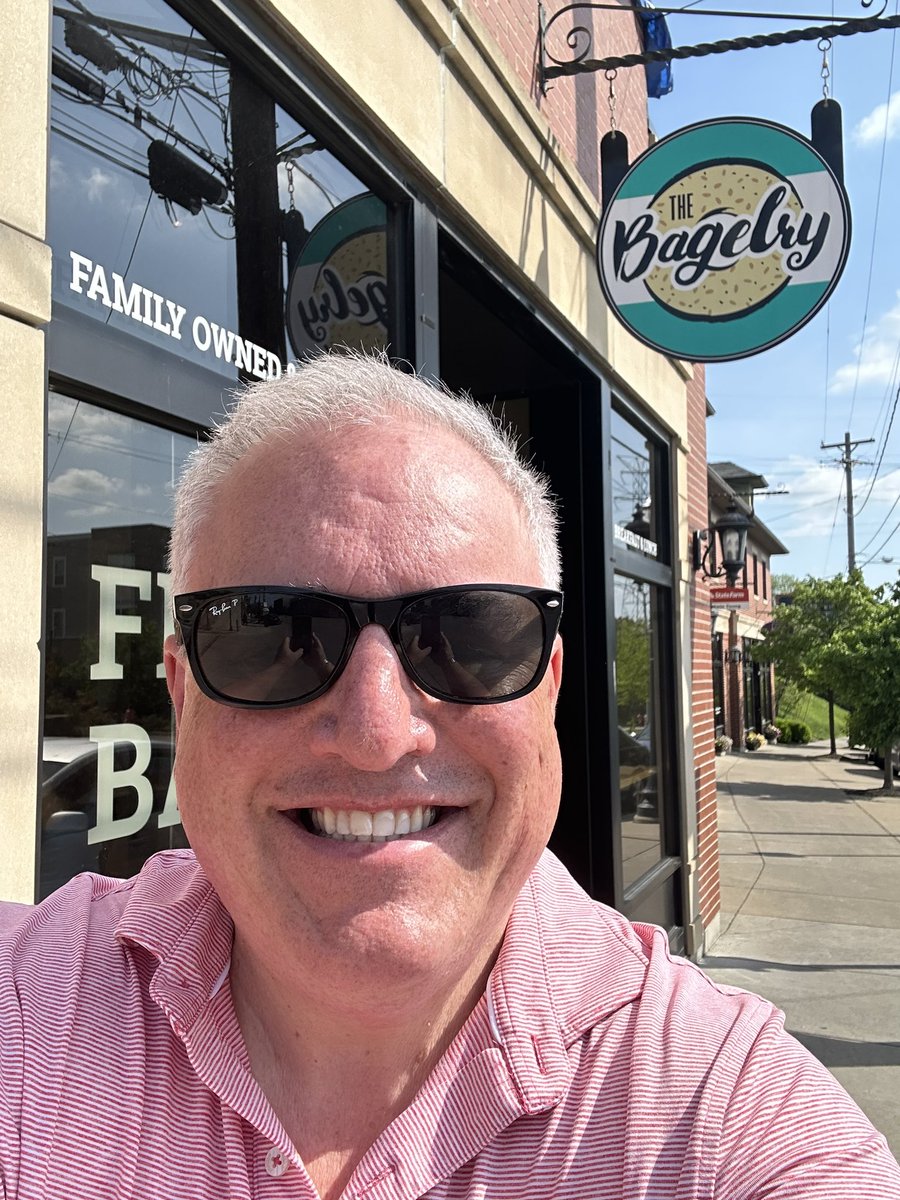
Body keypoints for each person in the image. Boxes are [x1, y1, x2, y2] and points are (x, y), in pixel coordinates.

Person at [1, 351, 898, 1200]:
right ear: (182, 694)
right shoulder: (27, 1010)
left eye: (468, 635)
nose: (377, 734)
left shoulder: (723, 1117)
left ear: (547, 690)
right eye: (275, 633)